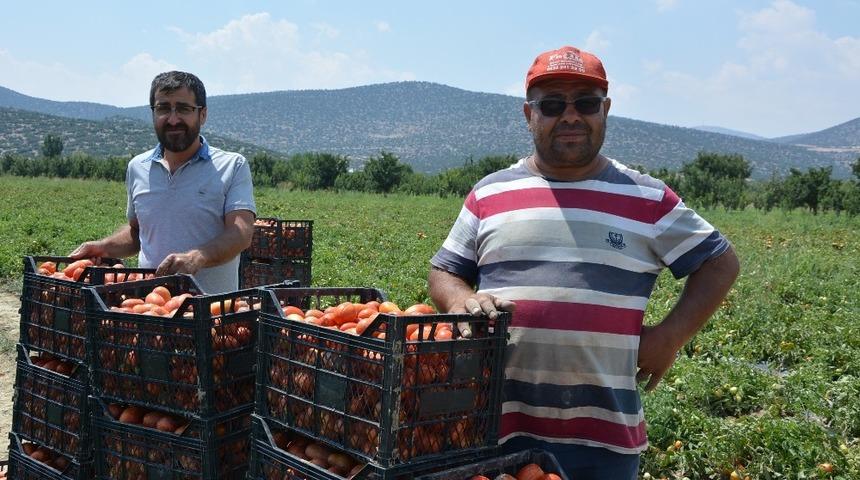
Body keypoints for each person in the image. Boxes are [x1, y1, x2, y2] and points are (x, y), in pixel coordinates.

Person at [428, 46, 740, 479]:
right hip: (493, 431)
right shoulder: (489, 194)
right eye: (553, 104)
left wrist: (671, 335)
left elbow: (720, 261)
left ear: (605, 110)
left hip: (603, 442)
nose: (570, 115)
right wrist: (460, 300)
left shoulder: (646, 198)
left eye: (586, 103)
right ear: (529, 114)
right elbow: (445, 269)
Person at [70, 71, 256, 293]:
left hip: (211, 313)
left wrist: (198, 257)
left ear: (202, 115)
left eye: (184, 109)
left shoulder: (231, 166)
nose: (173, 119)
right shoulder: (138, 167)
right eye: (163, 108)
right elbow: (138, 233)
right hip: (150, 308)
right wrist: (104, 247)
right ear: (153, 113)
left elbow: (241, 234)